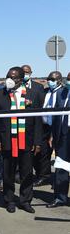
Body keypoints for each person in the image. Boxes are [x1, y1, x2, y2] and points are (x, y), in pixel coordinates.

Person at [0, 67, 42, 214]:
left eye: (13, 77)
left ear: (20, 79)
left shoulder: (33, 94)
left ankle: (25, 200)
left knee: (27, 172)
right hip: (7, 140)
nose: (9, 79)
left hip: (27, 140)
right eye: (8, 76)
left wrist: (37, 142)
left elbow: (38, 119)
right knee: (8, 172)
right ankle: (9, 200)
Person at [33, 71, 63, 188]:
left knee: (59, 154)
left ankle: (59, 181)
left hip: (57, 127)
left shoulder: (63, 93)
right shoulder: (44, 92)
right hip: (43, 127)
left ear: (59, 80)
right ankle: (44, 176)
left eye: (53, 79)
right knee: (42, 153)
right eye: (49, 79)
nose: (50, 81)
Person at [48, 72, 70, 208]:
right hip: (63, 135)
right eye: (68, 79)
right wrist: (52, 135)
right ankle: (60, 198)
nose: (69, 81)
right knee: (61, 167)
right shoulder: (62, 93)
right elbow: (56, 116)